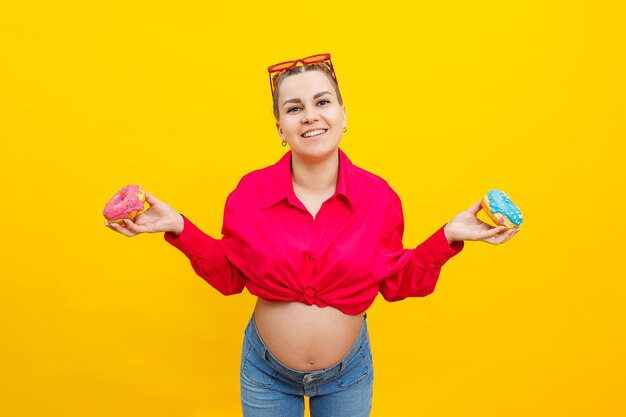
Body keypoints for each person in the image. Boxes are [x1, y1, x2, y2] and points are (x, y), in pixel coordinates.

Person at [105, 53, 518, 417]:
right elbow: (231, 277)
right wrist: (179, 226)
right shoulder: (249, 194)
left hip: (347, 376)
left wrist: (448, 237)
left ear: (343, 114)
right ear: (280, 127)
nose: (310, 115)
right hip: (266, 373)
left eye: (322, 102)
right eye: (294, 107)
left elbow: (395, 282)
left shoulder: (380, 198)